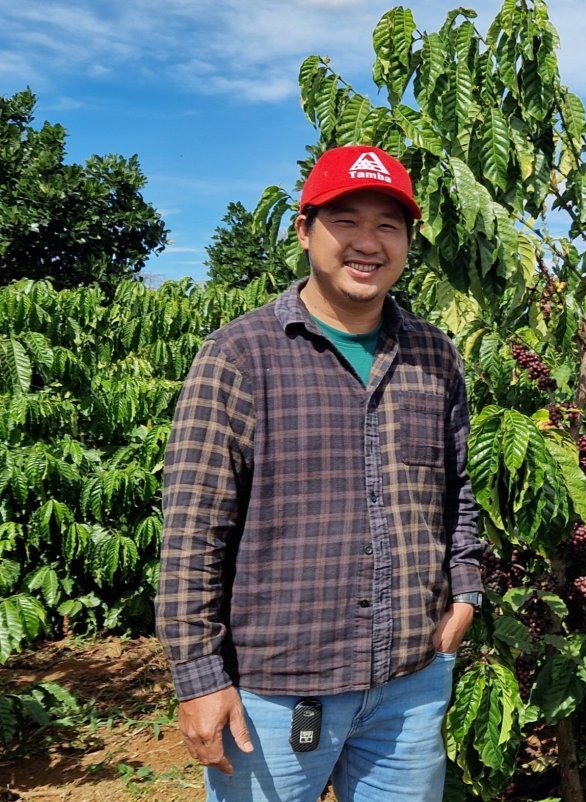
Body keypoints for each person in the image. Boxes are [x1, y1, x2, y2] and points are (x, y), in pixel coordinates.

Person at [156, 144, 485, 802]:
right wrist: (198, 677)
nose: (369, 242)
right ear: (305, 232)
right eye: (346, 221)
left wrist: (467, 590)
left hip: (409, 684)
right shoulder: (240, 355)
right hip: (280, 693)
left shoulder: (435, 355)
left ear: (408, 242)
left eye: (388, 225)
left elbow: (457, 492)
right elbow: (193, 529)